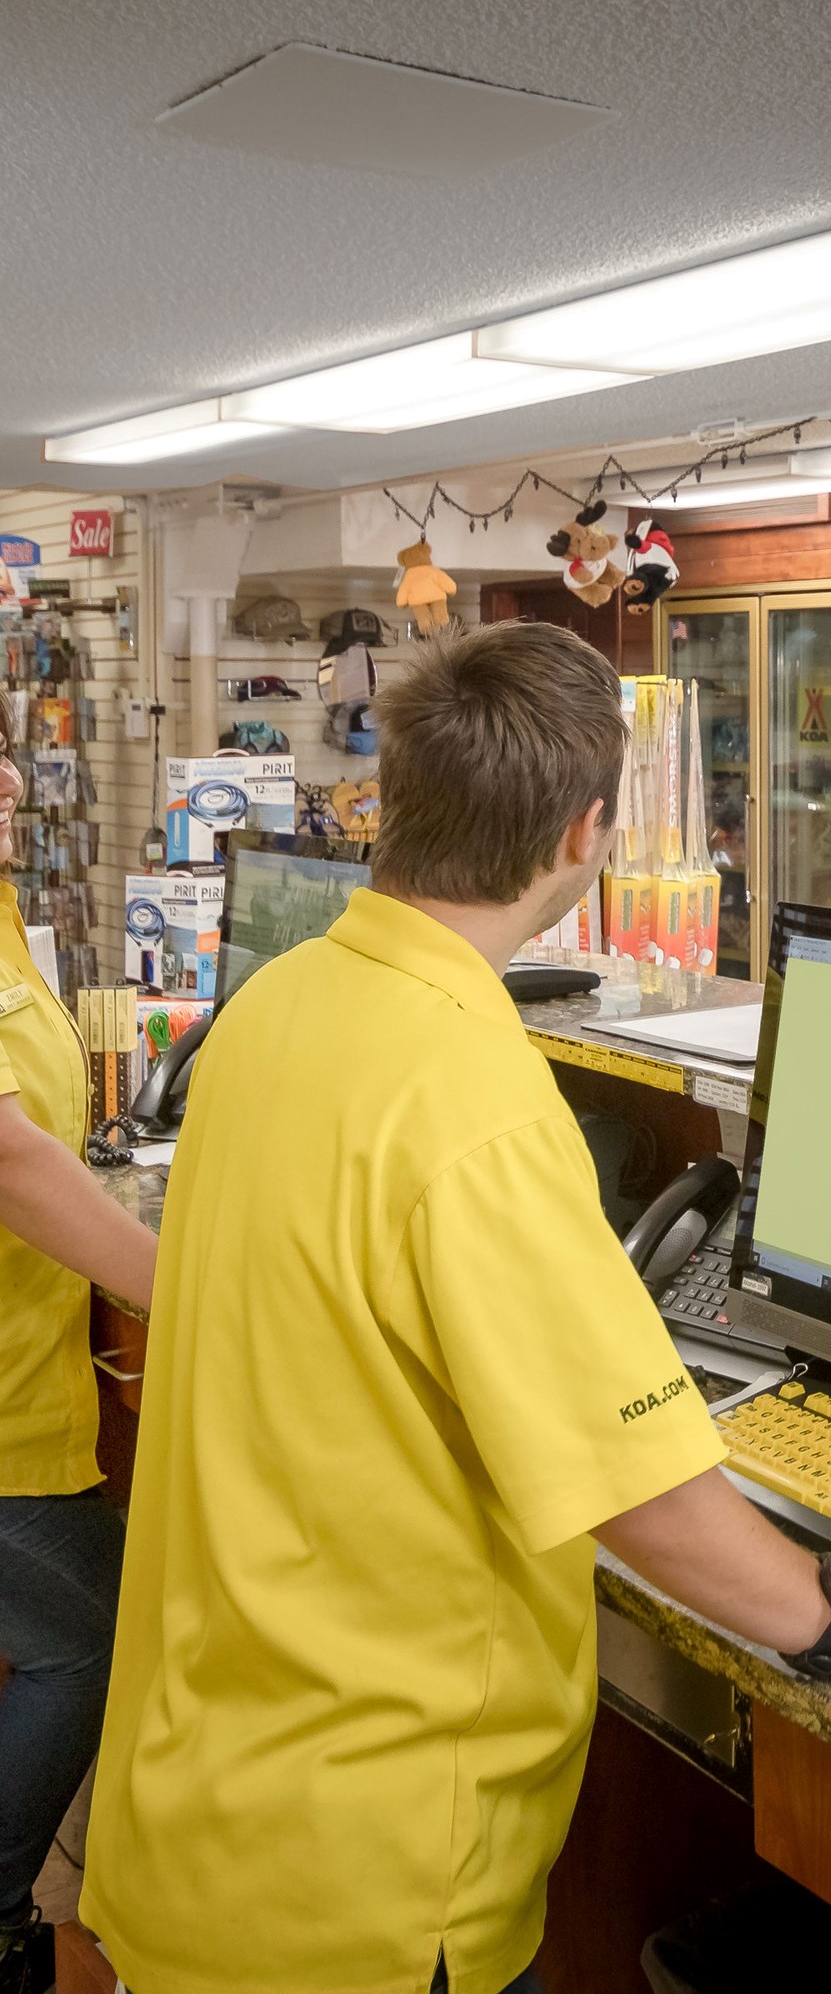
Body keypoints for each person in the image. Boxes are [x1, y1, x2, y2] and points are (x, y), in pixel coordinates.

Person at [82, 622, 831, 1994]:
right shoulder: (473, 1105)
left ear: (395, 795)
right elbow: (638, 1483)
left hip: (204, 1813)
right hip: (367, 1885)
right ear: (588, 832)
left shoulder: (280, 1002)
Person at [0, 701, 157, 1994]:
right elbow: (7, 1160)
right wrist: (188, 1286)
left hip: (30, 1371)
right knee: (94, 1638)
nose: (7, 777)